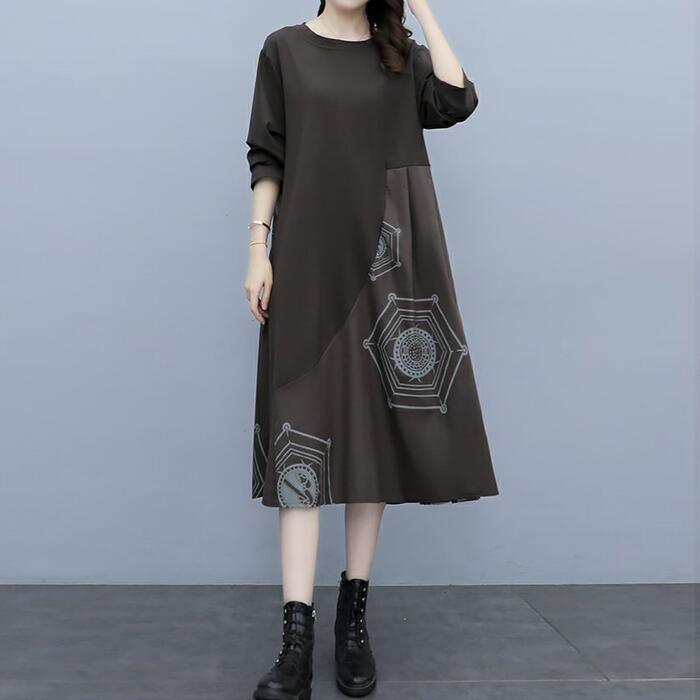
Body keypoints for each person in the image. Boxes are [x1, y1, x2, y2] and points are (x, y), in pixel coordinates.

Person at [244, 1, 499, 697]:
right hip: (308, 257)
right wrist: (258, 248)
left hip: (388, 260)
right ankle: (295, 640)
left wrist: (421, 7)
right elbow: (268, 152)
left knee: (371, 438)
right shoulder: (284, 49)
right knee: (300, 437)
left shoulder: (399, 57)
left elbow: (457, 98)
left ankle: (352, 622)